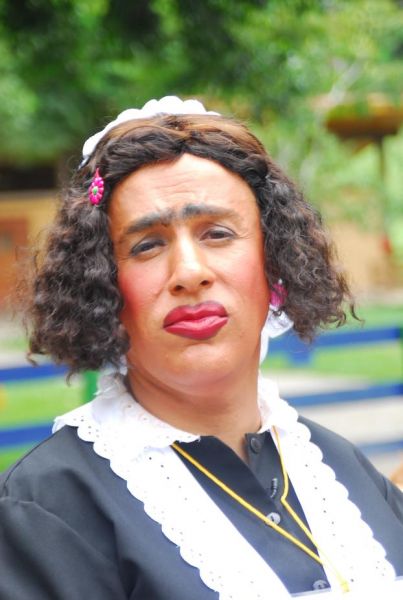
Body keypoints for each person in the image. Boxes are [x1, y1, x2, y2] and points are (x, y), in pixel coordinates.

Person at [1, 96, 403, 600]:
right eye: (147, 245)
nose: (189, 273)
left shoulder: (340, 471)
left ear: (274, 261)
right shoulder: (48, 509)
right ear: (100, 284)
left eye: (217, 233)